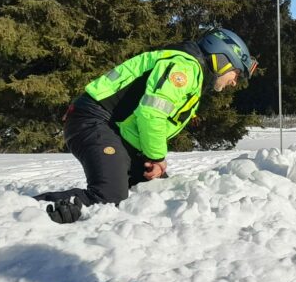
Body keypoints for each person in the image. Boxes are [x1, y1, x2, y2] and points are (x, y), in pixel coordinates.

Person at [35, 29, 256, 224]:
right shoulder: (184, 67)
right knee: (109, 196)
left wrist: (151, 162)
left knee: (158, 195)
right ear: (222, 59)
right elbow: (151, 114)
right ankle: (27, 209)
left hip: (113, 128)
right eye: (236, 73)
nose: (234, 82)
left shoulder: (191, 70)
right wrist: (157, 157)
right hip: (93, 121)